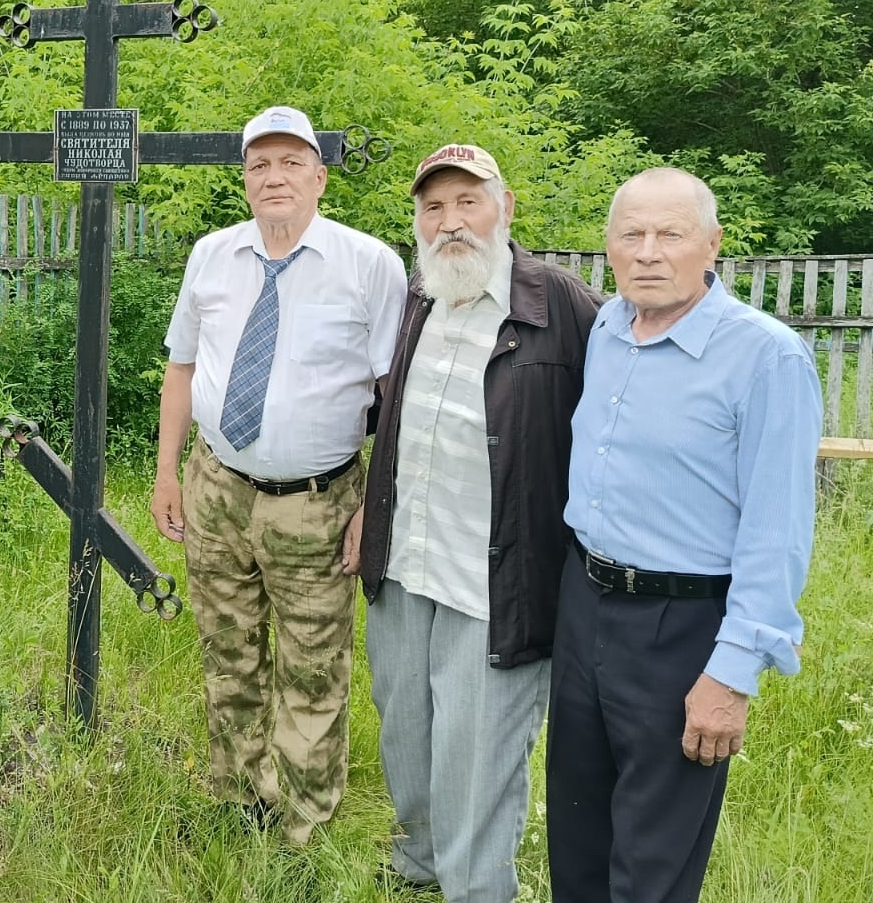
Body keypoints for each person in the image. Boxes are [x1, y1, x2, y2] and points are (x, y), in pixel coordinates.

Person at [547, 167, 821, 903]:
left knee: (653, 861)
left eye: (670, 234)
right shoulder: (607, 329)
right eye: (631, 234)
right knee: (575, 831)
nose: (648, 252)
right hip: (585, 599)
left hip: (683, 625)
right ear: (609, 246)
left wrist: (731, 673)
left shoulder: (766, 357)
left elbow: (777, 530)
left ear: (712, 244)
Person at [346, 144, 600, 901]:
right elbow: (392, 418)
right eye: (434, 207)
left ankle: (476, 888)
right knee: (406, 732)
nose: (450, 221)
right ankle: (419, 866)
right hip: (404, 562)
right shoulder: (418, 296)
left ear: (505, 207)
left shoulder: (561, 304)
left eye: (468, 202)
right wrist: (368, 510)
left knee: (477, 753)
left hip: (498, 577)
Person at [150, 105, 408, 844]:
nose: (275, 177)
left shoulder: (369, 266)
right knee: (227, 653)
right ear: (244, 179)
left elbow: (394, 397)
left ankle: (302, 829)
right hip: (218, 488)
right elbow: (181, 368)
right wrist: (168, 473)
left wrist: (373, 507)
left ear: (320, 178)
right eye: (259, 164)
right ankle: (240, 801)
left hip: (317, 503)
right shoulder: (212, 256)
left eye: (292, 162)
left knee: (312, 669)